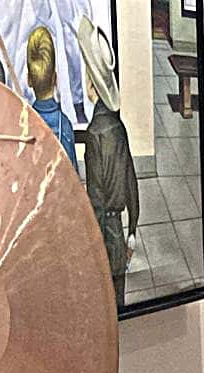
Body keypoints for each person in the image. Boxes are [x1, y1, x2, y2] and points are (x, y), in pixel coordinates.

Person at [75, 15, 137, 306]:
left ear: (91, 83)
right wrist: (133, 229)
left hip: (105, 231)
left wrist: (92, 245)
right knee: (120, 295)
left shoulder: (93, 135)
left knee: (107, 306)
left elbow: (95, 197)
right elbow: (131, 181)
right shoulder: (118, 127)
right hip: (121, 229)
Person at [26, 24, 79, 174]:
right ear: (55, 78)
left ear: (28, 79)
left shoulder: (24, 125)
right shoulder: (65, 126)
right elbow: (72, 182)